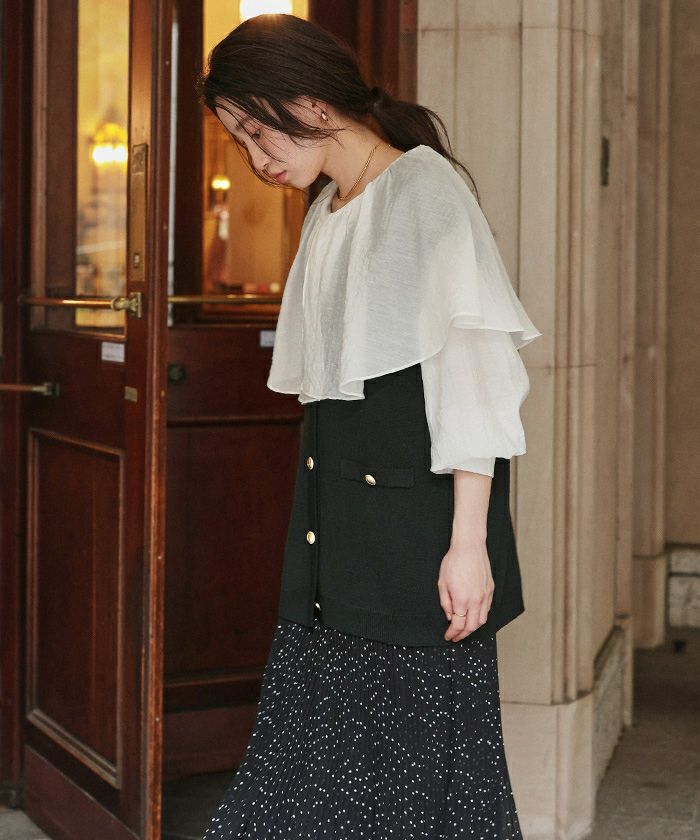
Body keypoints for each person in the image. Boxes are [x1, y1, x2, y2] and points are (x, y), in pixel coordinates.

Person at [197, 12, 542, 840]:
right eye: (240, 141)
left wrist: (469, 545)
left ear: (312, 105)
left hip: (414, 549)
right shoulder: (327, 208)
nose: (255, 158)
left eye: (257, 132)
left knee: (417, 792)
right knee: (312, 788)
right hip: (337, 546)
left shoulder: (425, 193)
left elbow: (474, 378)